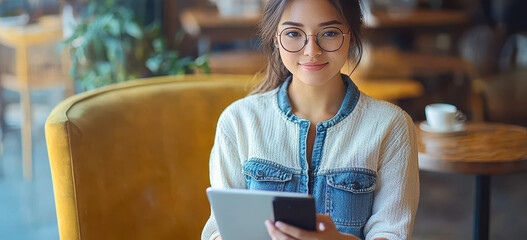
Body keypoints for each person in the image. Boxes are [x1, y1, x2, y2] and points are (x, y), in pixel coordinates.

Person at [201, 0, 419, 239]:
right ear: (276, 37)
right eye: (294, 33)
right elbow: (218, 231)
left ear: (353, 35)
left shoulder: (391, 125)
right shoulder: (238, 121)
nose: (311, 50)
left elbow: (392, 232)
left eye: (330, 33)